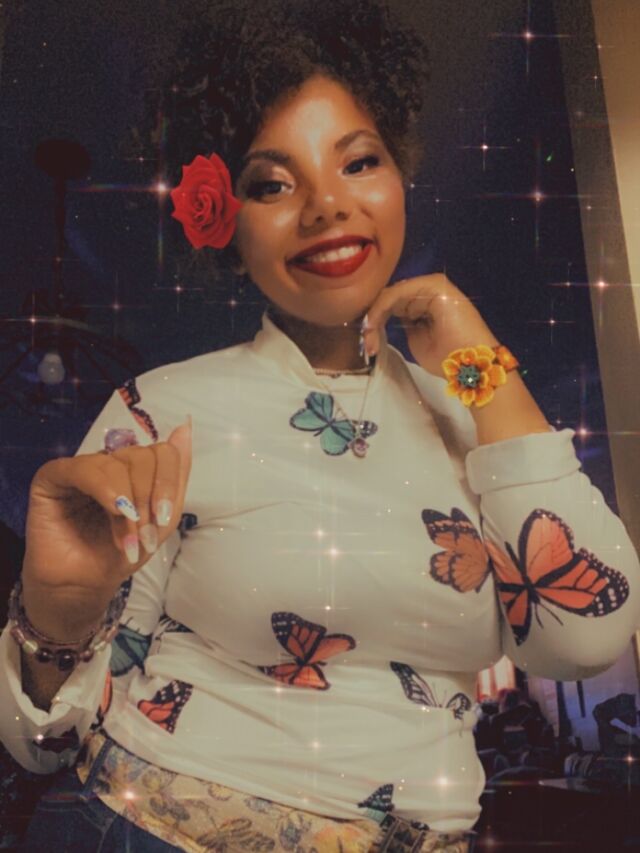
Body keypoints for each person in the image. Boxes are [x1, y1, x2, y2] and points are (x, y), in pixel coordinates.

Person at [1, 1, 639, 850]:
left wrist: (480, 360)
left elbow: (586, 636)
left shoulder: (479, 422)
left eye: (359, 162)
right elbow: (43, 746)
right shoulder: (162, 409)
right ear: (228, 224)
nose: (326, 206)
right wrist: (59, 613)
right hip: (140, 828)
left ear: (398, 177)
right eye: (274, 183)